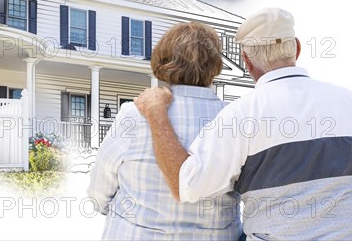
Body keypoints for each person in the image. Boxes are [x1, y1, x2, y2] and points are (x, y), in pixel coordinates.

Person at [134, 8, 352, 240]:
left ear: (246, 60)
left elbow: (185, 185)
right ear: (297, 48)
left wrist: (157, 114)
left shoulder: (240, 114)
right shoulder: (346, 99)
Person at [87, 21, 242, 240]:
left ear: (162, 60)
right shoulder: (234, 120)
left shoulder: (134, 114)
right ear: (215, 65)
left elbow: (99, 190)